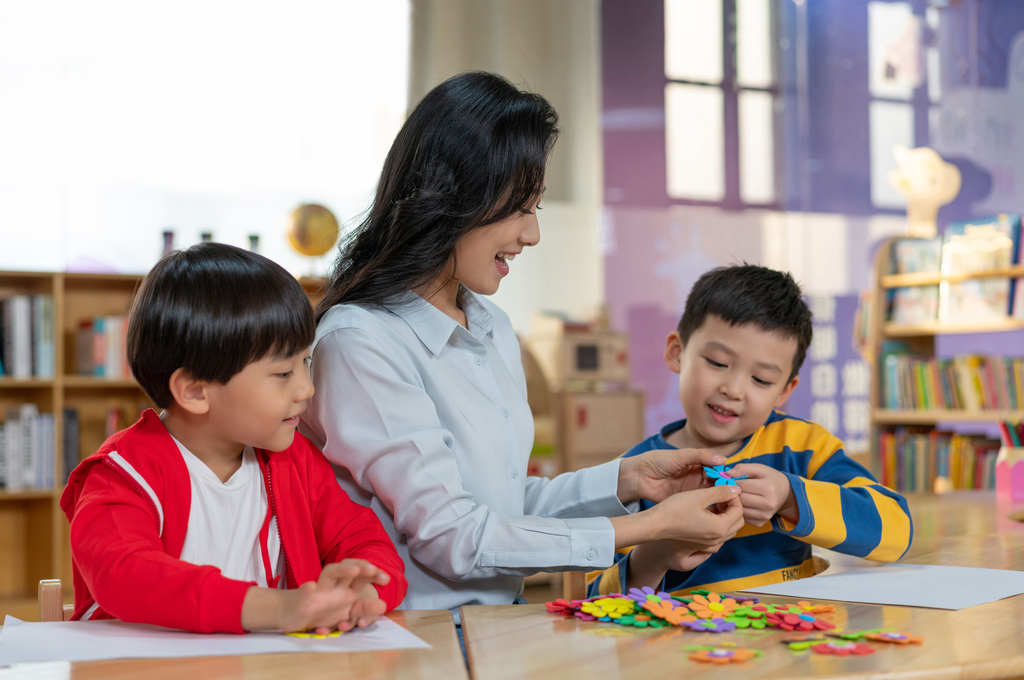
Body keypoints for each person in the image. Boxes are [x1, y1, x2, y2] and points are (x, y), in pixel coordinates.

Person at [301, 71, 745, 620]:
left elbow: (506, 510)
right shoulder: (359, 341)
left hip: (498, 630)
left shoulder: (489, 325)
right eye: (520, 208)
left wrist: (630, 480)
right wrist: (650, 527)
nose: (531, 234)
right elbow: (454, 536)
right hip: (417, 641)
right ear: (452, 197)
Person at [61, 243, 407, 634]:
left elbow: (363, 539)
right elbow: (123, 573)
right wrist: (278, 608)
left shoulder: (295, 459)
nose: (306, 389)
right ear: (195, 391)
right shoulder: (119, 475)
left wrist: (365, 588)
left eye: (305, 363)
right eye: (282, 373)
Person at [586, 265, 913, 597]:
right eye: (716, 362)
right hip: (675, 645)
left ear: (785, 390)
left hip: (786, 643)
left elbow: (896, 530)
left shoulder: (803, 447)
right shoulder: (634, 473)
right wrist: (653, 557)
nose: (734, 389)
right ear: (677, 352)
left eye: (761, 380)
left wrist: (791, 497)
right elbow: (593, 598)